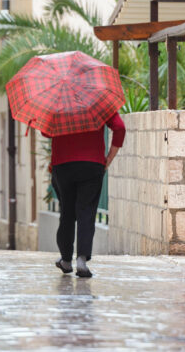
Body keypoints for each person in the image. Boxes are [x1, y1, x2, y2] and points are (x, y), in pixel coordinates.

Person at [48, 112, 125, 278]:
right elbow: (120, 127)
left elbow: (46, 131)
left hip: (63, 164)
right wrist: (109, 158)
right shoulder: (99, 102)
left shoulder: (59, 102)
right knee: (86, 212)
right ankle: (82, 260)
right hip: (92, 164)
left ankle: (66, 260)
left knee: (67, 213)